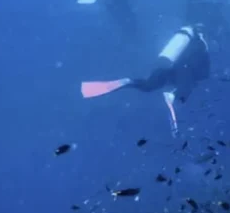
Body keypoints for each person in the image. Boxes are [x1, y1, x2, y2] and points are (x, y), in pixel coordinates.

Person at [81, 25, 210, 135]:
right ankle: (172, 95)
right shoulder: (201, 44)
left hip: (167, 65)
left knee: (149, 85)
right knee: (186, 88)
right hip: (183, 68)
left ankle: (128, 81)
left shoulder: (183, 38)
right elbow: (201, 70)